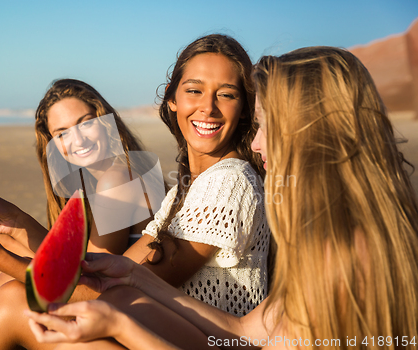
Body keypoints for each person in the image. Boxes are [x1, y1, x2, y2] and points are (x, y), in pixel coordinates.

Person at [26, 46, 418, 349]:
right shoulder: (326, 236)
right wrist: (134, 276)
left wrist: (120, 325)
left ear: (314, 134)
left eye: (267, 126)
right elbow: (242, 333)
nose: (258, 143)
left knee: (17, 307)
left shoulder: (344, 254)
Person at [0, 34, 270, 349]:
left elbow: (103, 292)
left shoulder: (228, 183)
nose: (208, 107)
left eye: (226, 94)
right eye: (195, 91)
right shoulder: (189, 187)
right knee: (4, 280)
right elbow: (113, 272)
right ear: (171, 99)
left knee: (10, 299)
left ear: (244, 107)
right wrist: (14, 223)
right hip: (156, 330)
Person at [0, 79, 158, 349]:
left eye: (86, 123)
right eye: (63, 133)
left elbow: (88, 283)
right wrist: (14, 222)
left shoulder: (116, 179)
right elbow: (73, 263)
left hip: (134, 322)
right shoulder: (109, 173)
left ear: (105, 120)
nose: (77, 139)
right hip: (120, 306)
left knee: (10, 294)